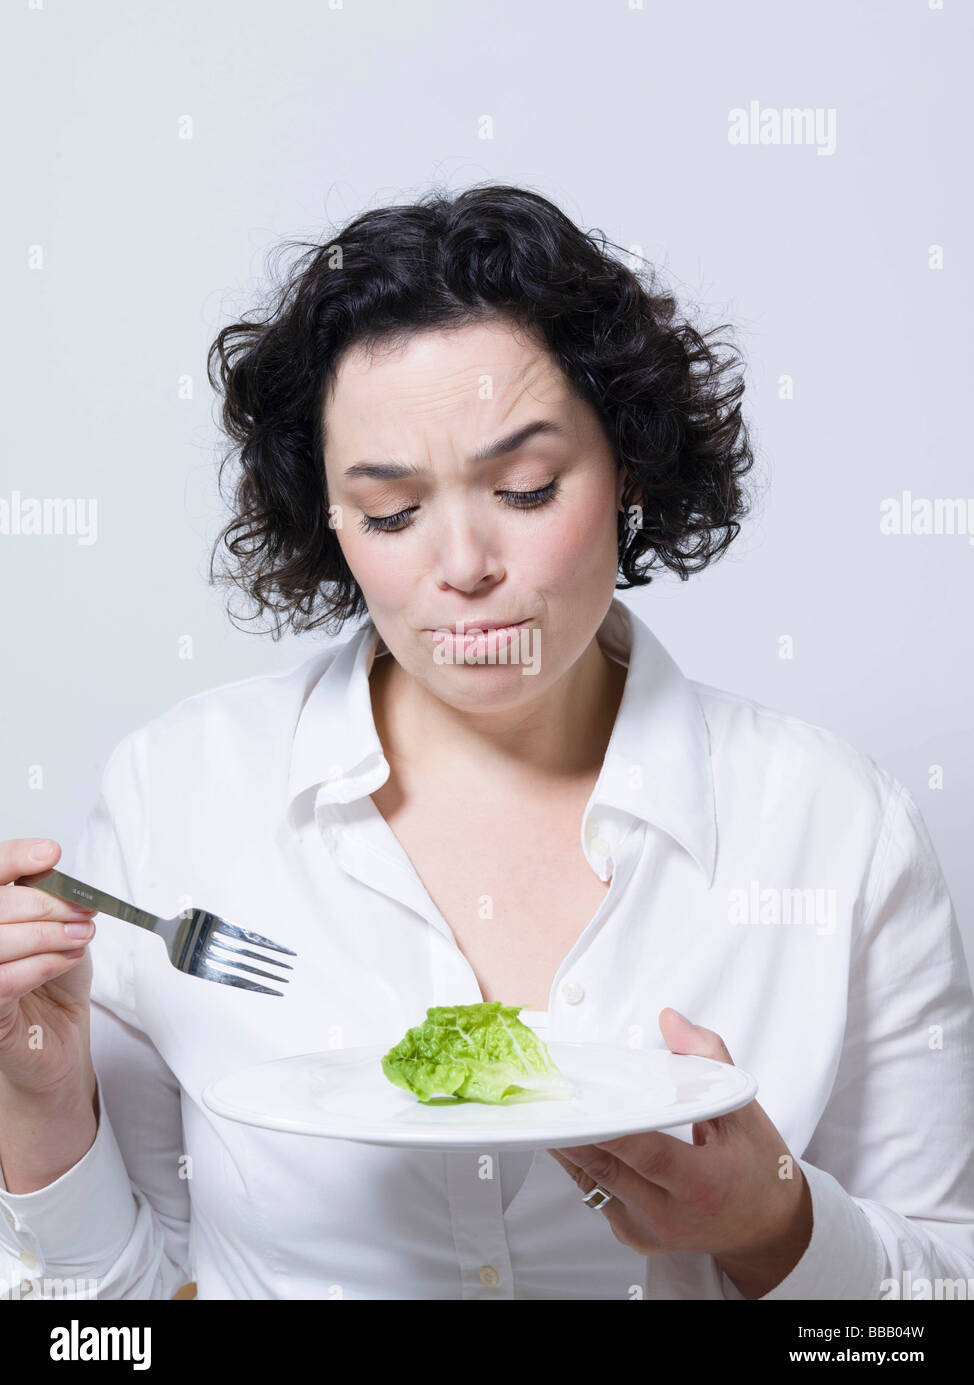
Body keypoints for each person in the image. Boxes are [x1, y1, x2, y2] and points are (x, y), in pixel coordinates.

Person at [1, 184, 972, 1301]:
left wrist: (774, 1227)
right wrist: (37, 1104)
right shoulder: (179, 792)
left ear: (630, 471)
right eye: (392, 512)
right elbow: (103, 1325)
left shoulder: (832, 824)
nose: (462, 563)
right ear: (326, 519)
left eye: (523, 487)